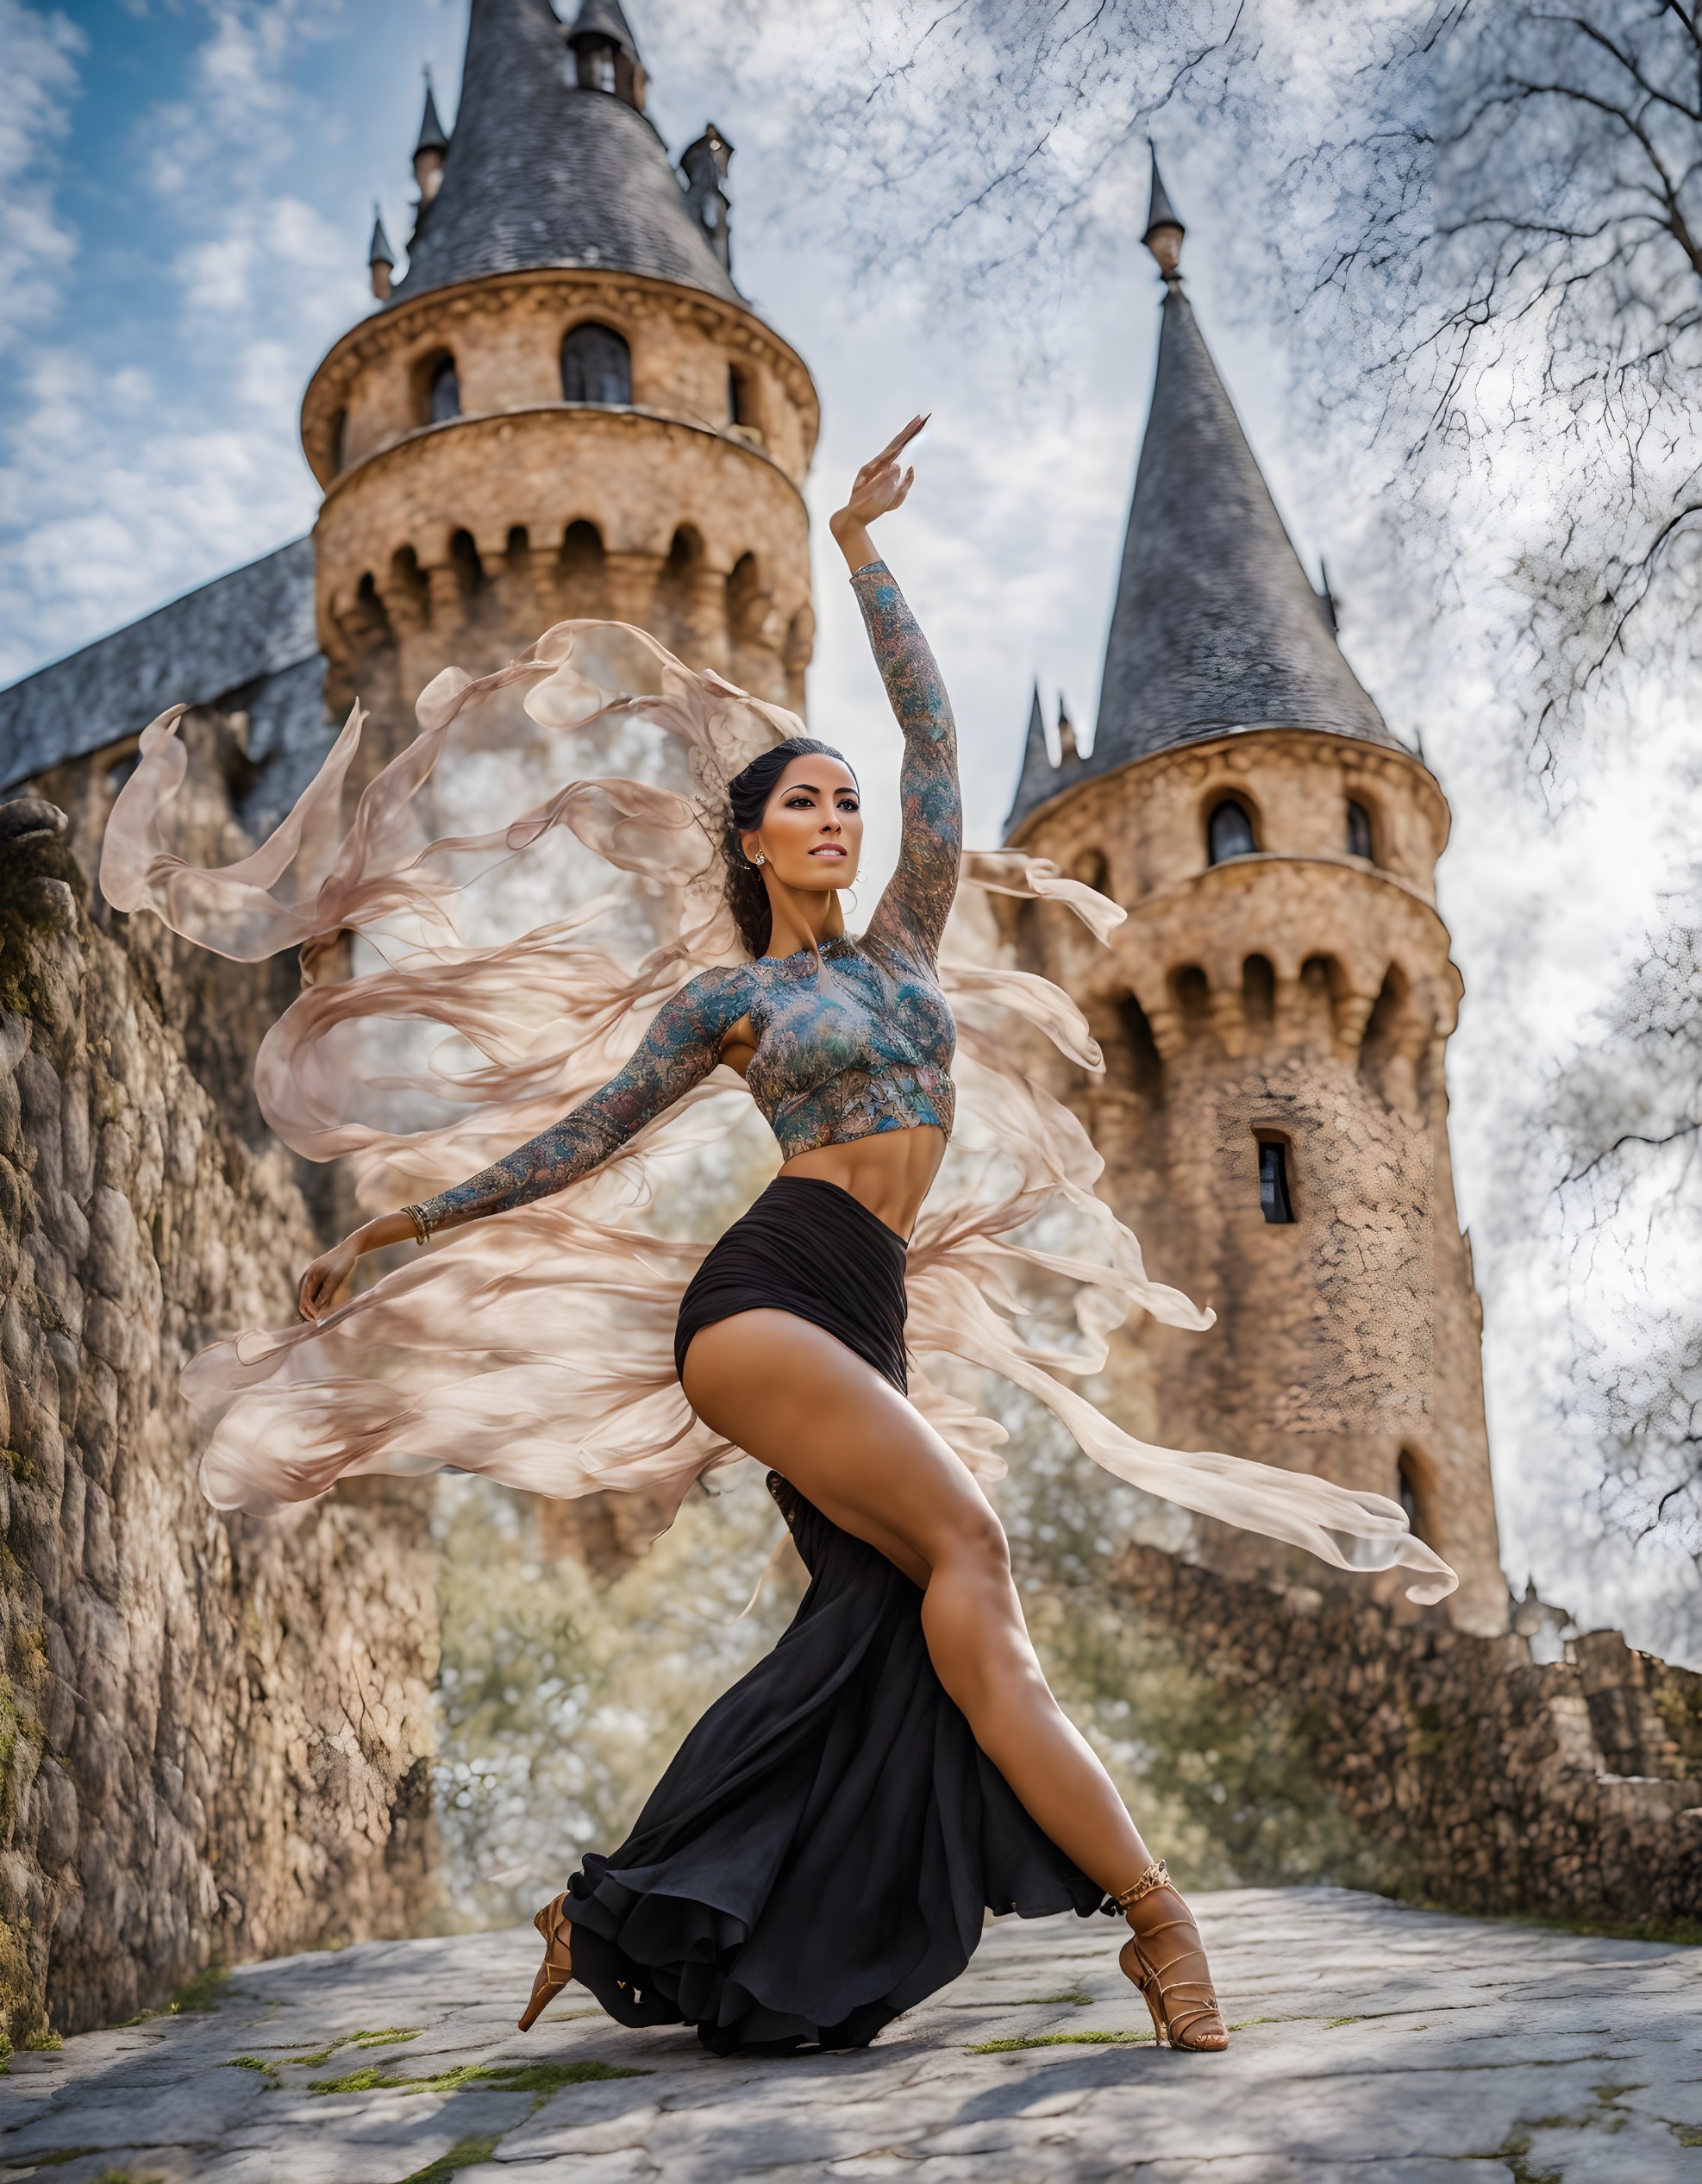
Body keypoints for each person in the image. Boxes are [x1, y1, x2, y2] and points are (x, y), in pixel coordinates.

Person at [103, 417, 1455, 2059]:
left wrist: (863, 553)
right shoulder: (736, 1000)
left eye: (841, 801)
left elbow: (939, 748)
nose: (837, 817)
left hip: (862, 1318)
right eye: (803, 804)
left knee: (874, 1634)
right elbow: (580, 1137)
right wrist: (403, 1218)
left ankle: (623, 1902)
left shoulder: (904, 944)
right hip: (763, 1301)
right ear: (750, 840)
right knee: (975, 1553)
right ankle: (1156, 1922)